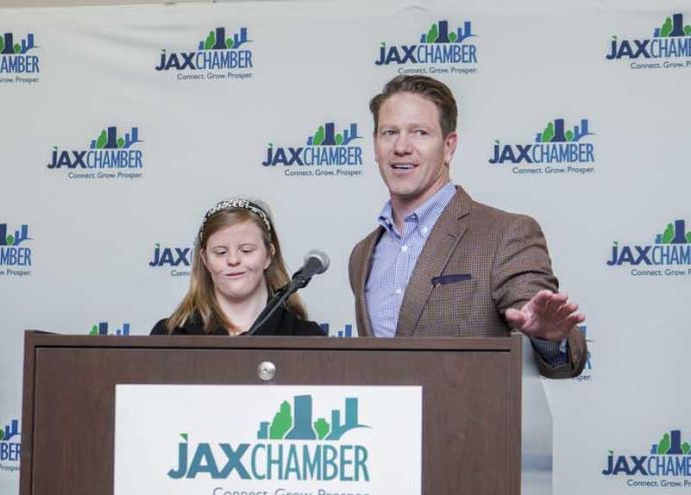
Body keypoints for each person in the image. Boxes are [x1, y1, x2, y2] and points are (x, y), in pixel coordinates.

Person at [349, 75, 586, 378]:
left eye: (420, 132)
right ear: (374, 145)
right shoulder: (363, 254)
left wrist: (549, 337)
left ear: (449, 147)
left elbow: (559, 348)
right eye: (389, 132)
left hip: (469, 423)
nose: (401, 146)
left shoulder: (505, 234)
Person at [152, 198, 325, 336]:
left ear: (268, 255)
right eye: (220, 252)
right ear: (205, 260)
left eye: (246, 250)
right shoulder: (170, 336)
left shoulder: (305, 337)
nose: (233, 260)